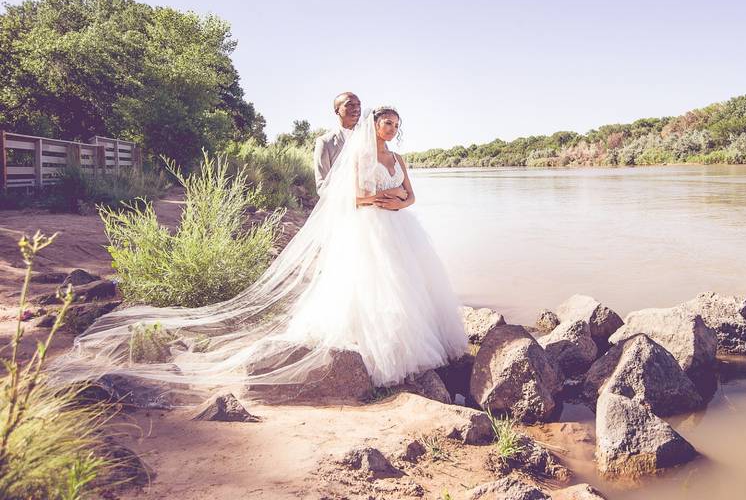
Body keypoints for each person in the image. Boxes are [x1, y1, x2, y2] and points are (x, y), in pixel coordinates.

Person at [52, 106, 468, 402]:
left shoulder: (398, 157)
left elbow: (410, 197)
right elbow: (356, 198)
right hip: (372, 228)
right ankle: (373, 354)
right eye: (385, 123)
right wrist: (384, 198)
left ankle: (410, 347)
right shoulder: (359, 156)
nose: (390, 129)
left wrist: (396, 201)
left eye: (395, 124)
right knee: (372, 283)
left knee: (408, 284)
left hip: (399, 226)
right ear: (373, 125)